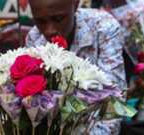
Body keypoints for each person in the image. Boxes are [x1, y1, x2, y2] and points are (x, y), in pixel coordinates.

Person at [26, 0, 126, 134]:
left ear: (76, 4)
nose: (49, 31)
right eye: (40, 22)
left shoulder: (104, 28)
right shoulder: (35, 38)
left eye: (58, 18)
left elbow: (114, 103)